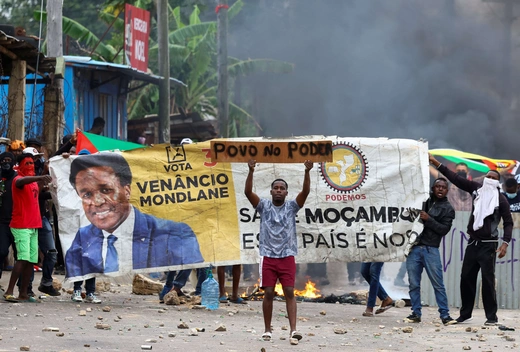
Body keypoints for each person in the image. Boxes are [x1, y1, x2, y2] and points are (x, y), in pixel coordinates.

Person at [64, 152, 204, 278]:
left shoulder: (173, 232)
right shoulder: (82, 238)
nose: (98, 202)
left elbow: (192, 268)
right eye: (87, 194)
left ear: (127, 191)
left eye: (106, 190)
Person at [429, 154, 513, 325]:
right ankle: (465, 314)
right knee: (466, 278)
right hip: (473, 243)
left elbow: (509, 222)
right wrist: (436, 163)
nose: (489, 179)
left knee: (488, 281)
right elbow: (453, 178)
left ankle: (491, 317)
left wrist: (505, 243)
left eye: (493, 178)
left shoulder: (501, 199)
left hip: (489, 245)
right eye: (487, 177)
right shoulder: (476, 190)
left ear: (497, 183)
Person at [244, 159, 312, 342]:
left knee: (289, 291)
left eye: (282, 188)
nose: (279, 190)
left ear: (286, 192)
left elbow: (305, 192)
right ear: (271, 191)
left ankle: (293, 330)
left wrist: (307, 171)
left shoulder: (291, 207)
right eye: (276, 188)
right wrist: (250, 170)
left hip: (287, 256)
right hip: (268, 256)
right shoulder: (264, 206)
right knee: (268, 293)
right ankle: (267, 330)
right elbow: (248, 192)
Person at [404, 177, 455, 325]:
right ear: (432, 188)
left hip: (431, 249)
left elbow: (444, 230)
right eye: (437, 186)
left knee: (437, 284)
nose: (440, 189)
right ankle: (415, 313)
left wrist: (428, 219)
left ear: (447, 190)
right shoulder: (423, 201)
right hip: (414, 247)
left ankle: (445, 316)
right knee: (413, 283)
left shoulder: (448, 209)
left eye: (443, 187)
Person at [3, 153, 51, 302]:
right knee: (22, 259)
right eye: (27, 163)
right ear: (20, 165)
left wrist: (44, 171)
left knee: (31, 260)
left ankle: (23, 292)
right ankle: (9, 291)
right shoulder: (18, 179)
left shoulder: (32, 183)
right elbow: (23, 181)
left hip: (33, 225)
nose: (30, 166)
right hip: (21, 225)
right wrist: (40, 177)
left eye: (32, 163)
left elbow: (39, 187)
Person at [19, 147, 61, 296]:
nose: (34, 162)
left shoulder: (39, 173)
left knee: (51, 252)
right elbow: (35, 194)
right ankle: (25, 287)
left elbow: (56, 159)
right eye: (31, 159)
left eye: (36, 159)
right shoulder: (20, 177)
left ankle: (46, 283)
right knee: (28, 256)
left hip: (41, 217)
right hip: (27, 220)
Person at [0, 152, 17, 285]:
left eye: (8, 160)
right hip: (2, 222)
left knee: (22, 256)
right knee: (1, 252)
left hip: (17, 222)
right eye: (3, 160)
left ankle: (24, 288)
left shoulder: (18, 179)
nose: (6, 163)